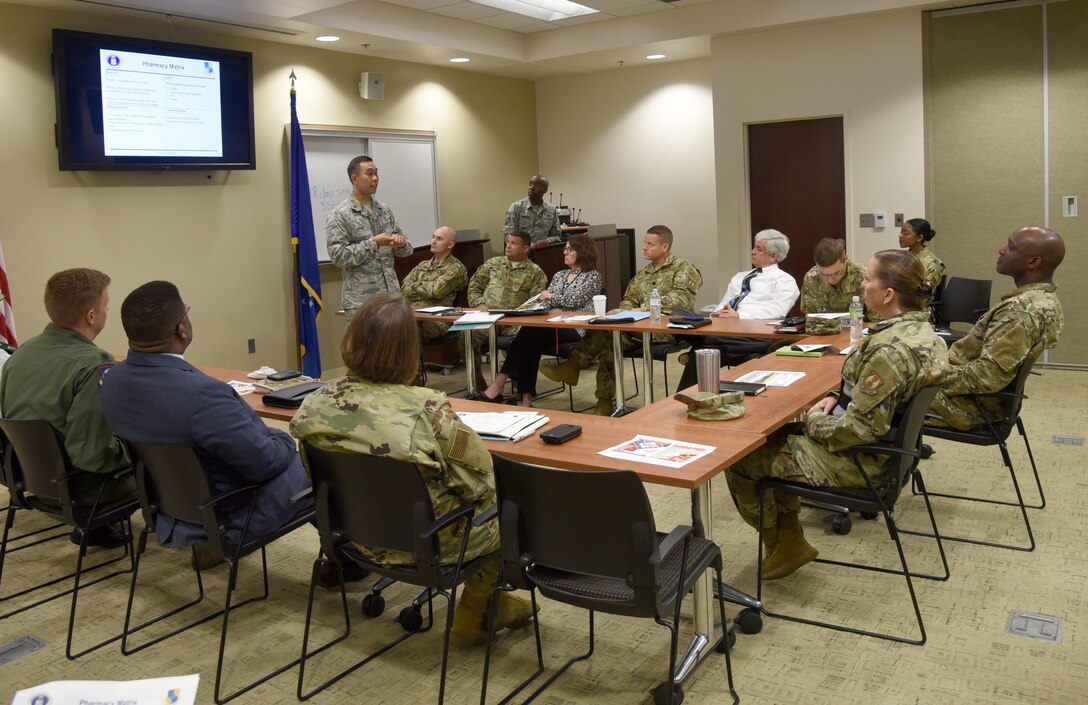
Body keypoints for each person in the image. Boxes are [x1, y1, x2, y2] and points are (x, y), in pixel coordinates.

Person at [290, 292, 535, 647]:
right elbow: (480, 483)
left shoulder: (315, 403)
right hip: (428, 544)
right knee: (509, 509)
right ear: (409, 350)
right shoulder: (427, 408)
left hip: (353, 539)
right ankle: (473, 611)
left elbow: (314, 477)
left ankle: (494, 605)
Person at [725, 250, 947, 580]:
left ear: (887, 294)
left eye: (868, 279)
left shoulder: (888, 349)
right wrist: (833, 396)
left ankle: (781, 542)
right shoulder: (924, 334)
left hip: (863, 463)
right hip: (887, 452)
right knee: (775, 436)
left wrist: (812, 418)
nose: (861, 282)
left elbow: (857, 430)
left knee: (742, 458)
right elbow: (871, 394)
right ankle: (789, 541)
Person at [99, 281, 317, 574]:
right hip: (231, 514)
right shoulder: (203, 395)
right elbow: (265, 462)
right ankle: (346, 561)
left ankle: (207, 549)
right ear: (182, 328)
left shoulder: (112, 380)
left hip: (168, 508)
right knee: (322, 460)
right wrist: (279, 435)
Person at [0, 268, 134, 548]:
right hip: (79, 492)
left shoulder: (21, 353)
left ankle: (98, 530)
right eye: (106, 305)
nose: (107, 310)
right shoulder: (94, 364)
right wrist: (136, 451)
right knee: (162, 463)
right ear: (91, 316)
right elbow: (94, 456)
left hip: (26, 479)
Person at [541, 225, 702, 416]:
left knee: (609, 335)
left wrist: (642, 309)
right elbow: (629, 299)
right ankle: (604, 401)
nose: (644, 247)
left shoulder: (683, 268)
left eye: (650, 244)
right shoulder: (644, 273)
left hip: (664, 328)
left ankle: (575, 367)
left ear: (665, 247)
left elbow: (682, 299)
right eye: (644, 243)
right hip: (635, 327)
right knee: (609, 336)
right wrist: (624, 312)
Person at [927, 226, 1064, 431]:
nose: (1001, 250)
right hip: (974, 396)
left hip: (968, 405)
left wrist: (930, 377)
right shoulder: (1044, 300)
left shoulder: (1020, 312)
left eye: (1011, 247)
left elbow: (987, 376)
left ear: (1033, 262)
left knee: (877, 391)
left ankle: (883, 459)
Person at [478, 234, 603, 405]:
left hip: (575, 326)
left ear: (582, 252)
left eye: (569, 249)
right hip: (550, 325)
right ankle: (526, 398)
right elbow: (547, 299)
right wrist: (551, 298)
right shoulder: (560, 274)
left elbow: (574, 301)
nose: (564, 252)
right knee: (530, 341)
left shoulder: (592, 276)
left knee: (529, 334)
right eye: (565, 249)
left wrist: (551, 296)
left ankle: (499, 383)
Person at [674, 229, 799, 391]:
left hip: (754, 336)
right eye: (754, 247)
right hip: (724, 331)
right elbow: (724, 304)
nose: (753, 252)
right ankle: (706, 337)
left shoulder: (785, 281)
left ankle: (700, 342)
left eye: (759, 249)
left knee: (701, 352)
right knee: (678, 313)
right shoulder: (740, 276)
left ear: (773, 256)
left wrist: (739, 316)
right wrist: (716, 315)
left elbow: (777, 312)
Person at [326, 155, 414, 321]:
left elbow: (407, 250)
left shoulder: (384, 210)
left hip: (392, 299)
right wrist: (373, 243)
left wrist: (401, 244)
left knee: (394, 346)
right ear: (355, 178)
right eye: (369, 173)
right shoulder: (340, 215)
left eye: (376, 173)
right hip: (361, 302)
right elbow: (338, 256)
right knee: (364, 347)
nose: (375, 178)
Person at [466, 230, 547, 387]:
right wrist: (482, 308)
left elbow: (536, 302)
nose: (508, 246)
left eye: (513, 243)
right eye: (507, 242)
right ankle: (476, 381)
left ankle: (519, 381)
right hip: (487, 318)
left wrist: (519, 314)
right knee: (467, 333)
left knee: (526, 337)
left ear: (525, 249)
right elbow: (474, 287)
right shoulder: (492, 264)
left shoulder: (535, 272)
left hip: (514, 322)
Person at [400, 226, 468, 344]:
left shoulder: (456, 268)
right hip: (415, 314)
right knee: (391, 328)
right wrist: (428, 287)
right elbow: (404, 289)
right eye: (433, 237)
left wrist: (415, 285)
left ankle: (412, 362)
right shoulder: (422, 265)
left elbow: (436, 292)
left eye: (439, 238)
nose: (433, 241)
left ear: (450, 244)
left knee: (411, 334)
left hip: (439, 319)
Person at [800, 238, 875, 319]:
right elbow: (809, 317)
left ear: (846, 258)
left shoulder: (864, 276)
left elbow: (876, 320)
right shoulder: (811, 278)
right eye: (823, 274)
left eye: (836, 273)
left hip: (858, 329)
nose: (830, 279)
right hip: (823, 330)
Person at [503, 175, 561, 246]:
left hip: (542, 251)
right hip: (521, 252)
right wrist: (531, 245)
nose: (531, 187)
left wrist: (546, 241)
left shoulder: (552, 210)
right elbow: (508, 236)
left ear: (545, 189)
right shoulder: (516, 207)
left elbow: (557, 236)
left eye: (537, 185)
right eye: (530, 184)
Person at [899, 218, 945, 291]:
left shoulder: (931, 263)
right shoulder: (904, 257)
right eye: (901, 232)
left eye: (906, 233)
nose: (900, 236)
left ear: (919, 237)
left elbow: (924, 292)